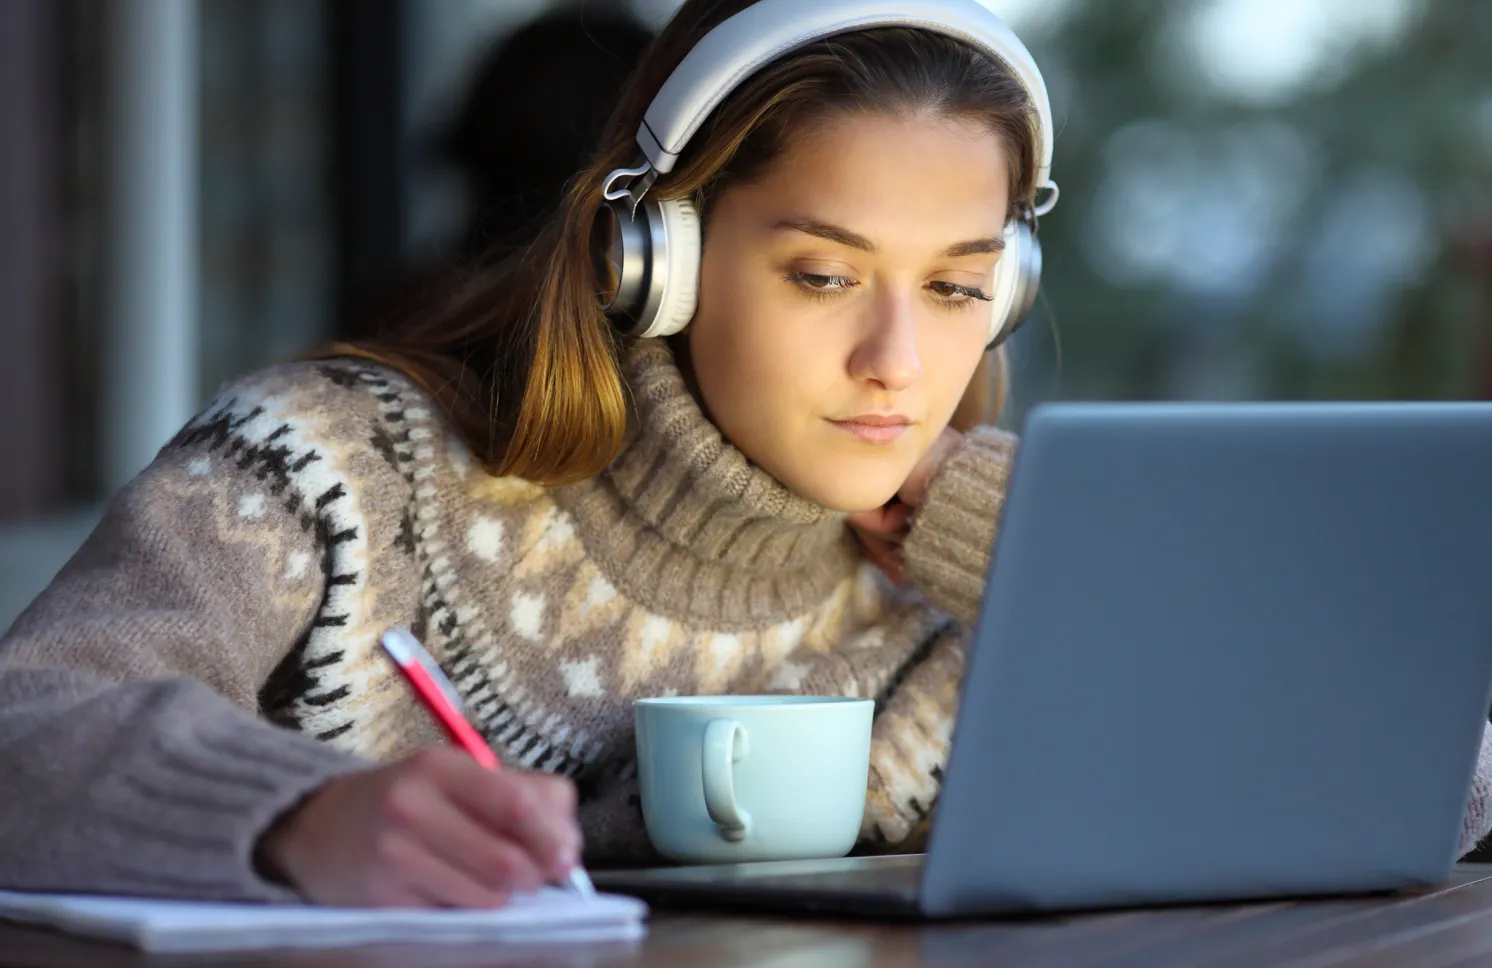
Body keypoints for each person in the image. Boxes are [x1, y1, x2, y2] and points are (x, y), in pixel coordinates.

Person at [1, 0, 1488, 911]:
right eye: (824, 276)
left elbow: (1440, 788)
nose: (899, 366)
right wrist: (292, 820)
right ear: (661, 259)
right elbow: (25, 725)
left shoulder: (985, 581)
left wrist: (1080, 573)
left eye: (960, 288)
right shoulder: (333, 469)